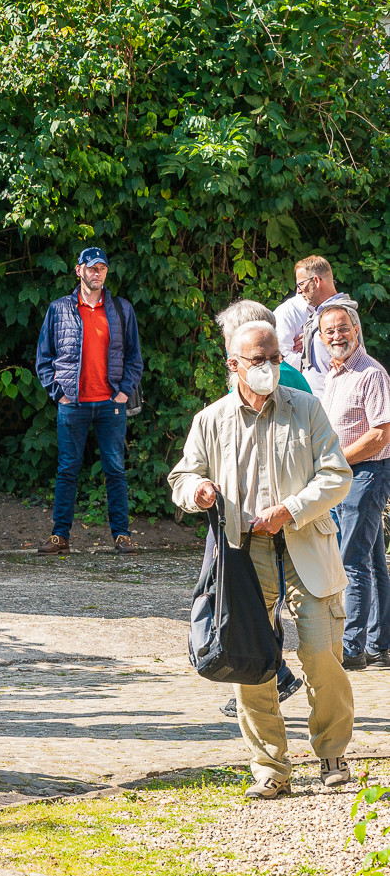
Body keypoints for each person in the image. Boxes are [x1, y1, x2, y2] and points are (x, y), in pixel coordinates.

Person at [169, 320, 353, 799]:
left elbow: (337, 475)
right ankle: (270, 767)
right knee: (249, 659)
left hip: (306, 541)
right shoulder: (210, 420)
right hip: (243, 552)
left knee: (321, 650)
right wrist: (199, 491)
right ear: (233, 365)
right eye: (259, 360)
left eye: (276, 358)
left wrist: (289, 509)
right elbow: (182, 476)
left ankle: (332, 754)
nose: (270, 367)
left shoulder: (306, 409)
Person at [210, 301, 308, 718]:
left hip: (292, 526)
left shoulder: (285, 382)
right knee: (258, 609)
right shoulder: (225, 403)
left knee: (269, 609)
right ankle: (271, 675)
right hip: (249, 528)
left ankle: (277, 672)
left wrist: (290, 506)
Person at [33, 247, 144, 555]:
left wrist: (123, 391)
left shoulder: (121, 309)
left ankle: (122, 535)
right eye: (92, 268)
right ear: (78, 270)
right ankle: (60, 536)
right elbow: (44, 358)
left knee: (115, 469)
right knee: (68, 468)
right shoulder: (59, 310)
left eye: (102, 269)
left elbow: (135, 357)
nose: (98, 274)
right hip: (73, 404)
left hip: (111, 403)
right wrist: (60, 394)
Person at [317, 303, 390, 670]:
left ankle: (352, 649)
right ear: (320, 337)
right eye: (328, 331)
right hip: (343, 476)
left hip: (366, 474)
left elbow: (380, 433)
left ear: (356, 330)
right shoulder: (333, 374)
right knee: (374, 561)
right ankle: (379, 644)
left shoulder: (370, 373)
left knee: (352, 562)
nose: (336, 336)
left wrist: (336, 461)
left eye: (342, 328)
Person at [275, 255, 357, 394]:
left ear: (316, 281)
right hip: (318, 402)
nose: (299, 290)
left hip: (333, 399)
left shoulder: (338, 314)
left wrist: (309, 341)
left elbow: (354, 362)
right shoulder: (321, 312)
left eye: (301, 284)